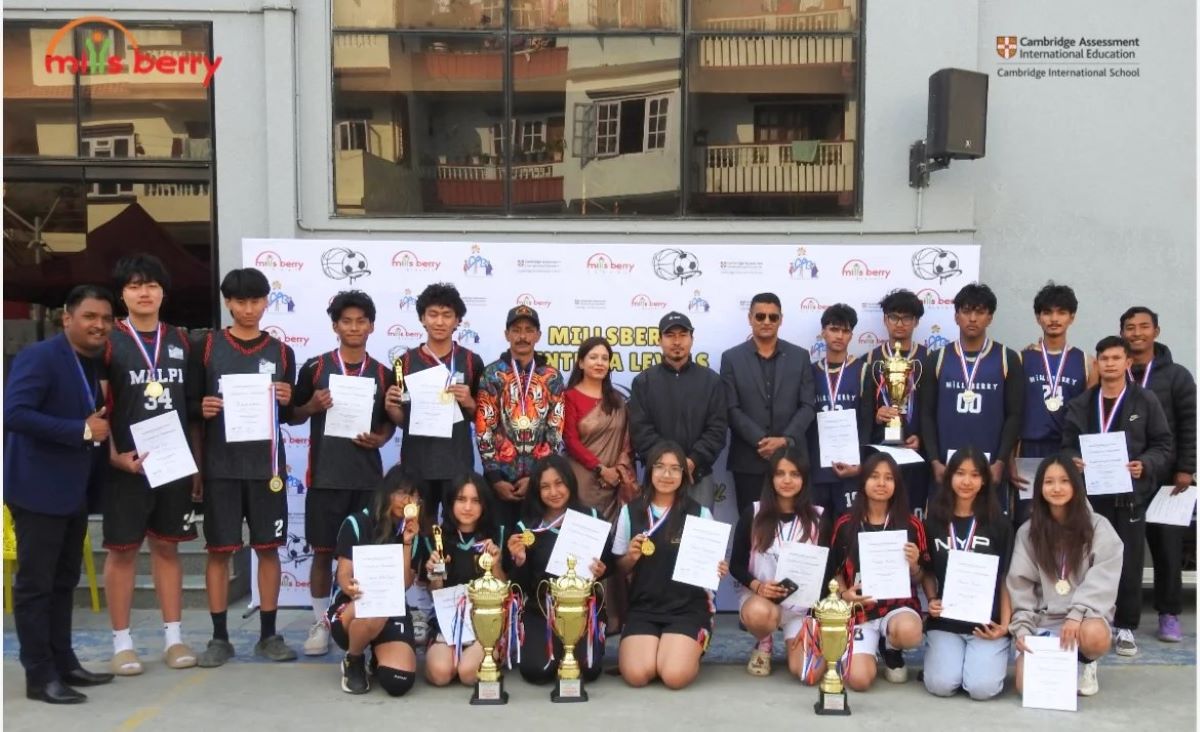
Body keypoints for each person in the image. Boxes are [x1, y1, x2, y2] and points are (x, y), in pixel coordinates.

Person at [4, 285, 117, 703]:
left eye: (105, 318)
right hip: (37, 490)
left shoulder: (87, 361)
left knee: (64, 580)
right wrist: (80, 430)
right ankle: (39, 675)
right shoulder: (40, 356)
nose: (99, 325)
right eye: (90, 316)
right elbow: (14, 413)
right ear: (67, 318)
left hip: (72, 490)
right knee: (36, 585)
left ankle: (64, 662)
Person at [188, 267, 298, 666]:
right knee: (219, 552)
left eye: (255, 301)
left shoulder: (282, 352)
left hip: (267, 469)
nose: (248, 309)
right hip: (221, 466)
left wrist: (288, 399)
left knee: (268, 551)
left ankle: (269, 635)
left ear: (267, 302)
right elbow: (188, 405)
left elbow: (291, 415)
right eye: (240, 301)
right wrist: (199, 407)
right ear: (228, 303)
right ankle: (219, 637)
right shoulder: (206, 346)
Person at [99, 255, 200, 676]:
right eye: (135, 285)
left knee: (167, 548)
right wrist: (112, 456)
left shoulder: (182, 340)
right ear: (122, 294)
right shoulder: (109, 340)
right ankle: (122, 643)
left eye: (152, 285)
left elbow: (192, 411)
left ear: (163, 292)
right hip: (127, 465)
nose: (145, 292)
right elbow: (98, 407)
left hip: (172, 463)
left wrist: (196, 465)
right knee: (122, 551)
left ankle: (174, 639)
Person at [290, 291, 395, 657]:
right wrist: (311, 405)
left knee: (366, 557)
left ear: (371, 326)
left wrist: (380, 438)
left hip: (367, 481)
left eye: (360, 321)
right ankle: (321, 621)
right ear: (335, 326)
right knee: (322, 554)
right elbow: (292, 414)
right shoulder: (315, 368)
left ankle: (366, 621)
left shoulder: (383, 373)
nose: (354, 327)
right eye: (346, 321)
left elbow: (389, 424)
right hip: (325, 478)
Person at [1061, 335, 1173, 658]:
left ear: (1128, 363)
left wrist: (1145, 464)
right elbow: (1066, 446)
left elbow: (1163, 445)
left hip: (1129, 498)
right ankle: (1088, 618)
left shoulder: (1145, 401)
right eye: (1104, 359)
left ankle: (1125, 625)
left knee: (1128, 562)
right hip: (1090, 499)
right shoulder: (1082, 403)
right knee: (1085, 561)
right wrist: (1072, 461)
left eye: (1116, 358)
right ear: (1096, 364)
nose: (1109, 364)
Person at [615, 441, 728, 690]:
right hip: (644, 608)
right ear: (650, 471)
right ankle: (659, 649)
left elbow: (710, 568)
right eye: (660, 467)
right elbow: (619, 568)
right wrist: (630, 557)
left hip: (687, 609)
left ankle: (682, 648)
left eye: (675, 468)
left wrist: (717, 569)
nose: (667, 475)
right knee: (637, 675)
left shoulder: (699, 513)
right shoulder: (630, 512)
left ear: (684, 474)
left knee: (674, 676)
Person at [1008, 455, 1122, 697]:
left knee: (1095, 636)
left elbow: (1104, 578)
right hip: (1044, 620)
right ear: (1039, 488)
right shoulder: (1028, 532)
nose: (1057, 488)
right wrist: (1023, 629)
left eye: (1064, 481)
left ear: (1076, 486)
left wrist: (1077, 614)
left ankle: (1086, 662)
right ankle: (1059, 663)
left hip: (1084, 619)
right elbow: (1020, 585)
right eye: (1049, 482)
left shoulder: (1098, 527)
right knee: (1026, 688)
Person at [1120, 306, 1196, 644]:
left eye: (1143, 326)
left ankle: (1169, 614)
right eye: (1130, 327)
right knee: (1127, 549)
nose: (1137, 333)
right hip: (1125, 477)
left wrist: (1186, 468)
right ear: (1122, 333)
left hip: (1166, 478)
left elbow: (1189, 423)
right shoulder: (1115, 371)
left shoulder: (1177, 376)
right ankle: (1123, 616)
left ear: (1156, 332)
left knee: (1167, 547)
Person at [505, 455, 610, 685]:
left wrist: (602, 569)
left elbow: (609, 563)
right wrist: (520, 561)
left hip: (582, 608)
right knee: (537, 671)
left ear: (570, 482)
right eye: (545, 486)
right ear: (537, 490)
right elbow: (520, 585)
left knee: (586, 670)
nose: (553, 492)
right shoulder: (528, 528)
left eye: (559, 483)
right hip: (542, 609)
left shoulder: (591, 518)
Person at [920, 283, 1024, 514]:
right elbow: (926, 414)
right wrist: (934, 461)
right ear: (956, 316)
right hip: (946, 466)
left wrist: (1001, 462)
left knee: (989, 526)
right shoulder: (937, 358)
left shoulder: (1008, 358)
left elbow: (1014, 415)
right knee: (944, 524)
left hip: (990, 467)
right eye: (966, 311)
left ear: (990, 317)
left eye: (980, 312)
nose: (973, 318)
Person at [828, 452, 928, 690]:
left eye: (888, 478)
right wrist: (844, 594)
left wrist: (915, 564)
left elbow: (921, 577)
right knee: (859, 680)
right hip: (860, 608)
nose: (881, 483)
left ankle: (891, 647)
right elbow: (835, 569)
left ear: (897, 484)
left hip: (897, 606)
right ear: (863, 481)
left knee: (910, 632)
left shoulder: (911, 524)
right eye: (874, 476)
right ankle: (866, 649)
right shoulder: (845, 524)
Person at [921, 446, 1012, 701]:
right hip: (946, 621)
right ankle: (955, 663)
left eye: (974, 474)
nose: (966, 481)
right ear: (949, 476)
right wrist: (931, 600)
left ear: (984, 480)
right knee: (941, 685)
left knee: (982, 689)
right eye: (960, 473)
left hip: (986, 623)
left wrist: (1005, 626)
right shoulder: (934, 522)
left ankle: (975, 664)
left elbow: (1006, 577)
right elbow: (927, 571)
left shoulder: (999, 523)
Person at [730, 446, 828, 680]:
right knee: (759, 613)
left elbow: (827, 573)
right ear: (771, 478)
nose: (787, 480)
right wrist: (758, 587)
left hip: (801, 608)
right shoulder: (754, 513)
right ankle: (764, 642)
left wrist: (814, 615)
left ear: (804, 479)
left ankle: (798, 639)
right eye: (780, 473)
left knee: (808, 674)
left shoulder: (819, 518)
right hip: (762, 601)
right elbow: (736, 565)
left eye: (794, 474)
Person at [390, 283, 485, 522]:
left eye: (447, 315)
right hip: (417, 464)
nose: (440, 322)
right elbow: (403, 419)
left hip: (457, 463)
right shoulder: (404, 363)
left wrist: (469, 402)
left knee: (457, 528)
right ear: (422, 318)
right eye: (433, 314)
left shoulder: (471, 361)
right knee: (419, 527)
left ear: (457, 320)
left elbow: (483, 418)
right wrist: (391, 409)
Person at [328, 466, 423, 696]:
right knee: (374, 609)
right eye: (401, 493)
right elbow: (343, 574)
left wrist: (408, 542)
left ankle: (379, 658)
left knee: (399, 682)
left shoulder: (414, 533)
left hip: (391, 606)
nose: (407, 501)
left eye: (414, 496)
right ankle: (354, 659)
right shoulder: (357, 522)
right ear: (387, 492)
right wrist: (349, 587)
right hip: (353, 607)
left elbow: (404, 584)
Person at [720, 293, 816, 515]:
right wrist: (761, 441)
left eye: (773, 317)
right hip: (749, 460)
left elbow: (807, 406)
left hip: (792, 459)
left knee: (793, 525)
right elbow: (730, 408)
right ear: (750, 318)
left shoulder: (800, 356)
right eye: (760, 316)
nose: (766, 321)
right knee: (752, 525)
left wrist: (784, 440)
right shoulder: (731, 358)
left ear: (781, 320)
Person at [475, 305, 565, 527]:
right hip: (499, 482)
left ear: (538, 335)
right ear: (507, 334)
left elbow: (555, 431)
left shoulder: (552, 376)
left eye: (529, 330)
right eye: (516, 330)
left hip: (539, 483)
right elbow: (484, 428)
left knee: (533, 540)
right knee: (500, 538)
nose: (522, 336)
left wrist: (536, 477)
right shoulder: (492, 374)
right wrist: (495, 478)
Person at [1012, 283, 1094, 523]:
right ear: (1038, 317)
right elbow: (1012, 412)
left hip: (1066, 450)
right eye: (1047, 312)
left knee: (1064, 519)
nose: (1054, 319)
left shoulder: (1086, 362)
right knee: (1028, 519)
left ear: (1072, 317)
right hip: (1029, 450)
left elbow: (1090, 417)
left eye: (1061, 312)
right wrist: (1009, 459)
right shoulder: (1021, 359)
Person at [628, 313, 728, 509]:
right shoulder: (643, 382)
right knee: (656, 528)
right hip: (659, 476)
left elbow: (717, 429)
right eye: (670, 335)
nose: (676, 342)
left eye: (683, 335)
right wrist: (668, 464)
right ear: (659, 340)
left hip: (697, 475)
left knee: (700, 528)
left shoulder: (711, 381)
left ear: (692, 339)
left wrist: (692, 461)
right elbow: (641, 431)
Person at [423, 473, 508, 687]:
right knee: (441, 674)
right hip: (448, 623)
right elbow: (435, 593)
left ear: (484, 505)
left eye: (475, 500)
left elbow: (504, 591)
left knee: (468, 673)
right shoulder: (437, 537)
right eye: (461, 499)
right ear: (450, 502)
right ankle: (452, 653)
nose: (468, 507)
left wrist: (495, 564)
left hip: (485, 623)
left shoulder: (497, 535)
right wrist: (435, 575)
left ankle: (488, 651)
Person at [863, 289, 930, 516]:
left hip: (916, 453)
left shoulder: (929, 360)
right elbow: (861, 410)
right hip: (879, 452)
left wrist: (922, 437)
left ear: (916, 321)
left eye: (907, 318)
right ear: (885, 319)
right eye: (894, 317)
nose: (899, 324)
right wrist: (875, 415)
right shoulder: (869, 360)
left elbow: (934, 408)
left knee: (912, 514)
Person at [807, 304, 872, 518]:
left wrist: (860, 464)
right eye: (834, 329)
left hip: (851, 470)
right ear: (823, 332)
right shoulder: (809, 372)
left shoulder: (863, 370)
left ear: (851, 335)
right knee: (817, 531)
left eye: (845, 331)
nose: (839, 336)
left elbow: (867, 422)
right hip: (817, 470)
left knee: (847, 530)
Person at [562, 336, 637, 521]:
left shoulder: (617, 401)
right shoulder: (569, 397)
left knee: (613, 532)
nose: (600, 363)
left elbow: (627, 442)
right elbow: (570, 440)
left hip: (614, 481)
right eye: (593, 357)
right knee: (582, 527)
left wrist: (618, 470)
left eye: (605, 358)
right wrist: (601, 469)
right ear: (581, 363)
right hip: (581, 479)